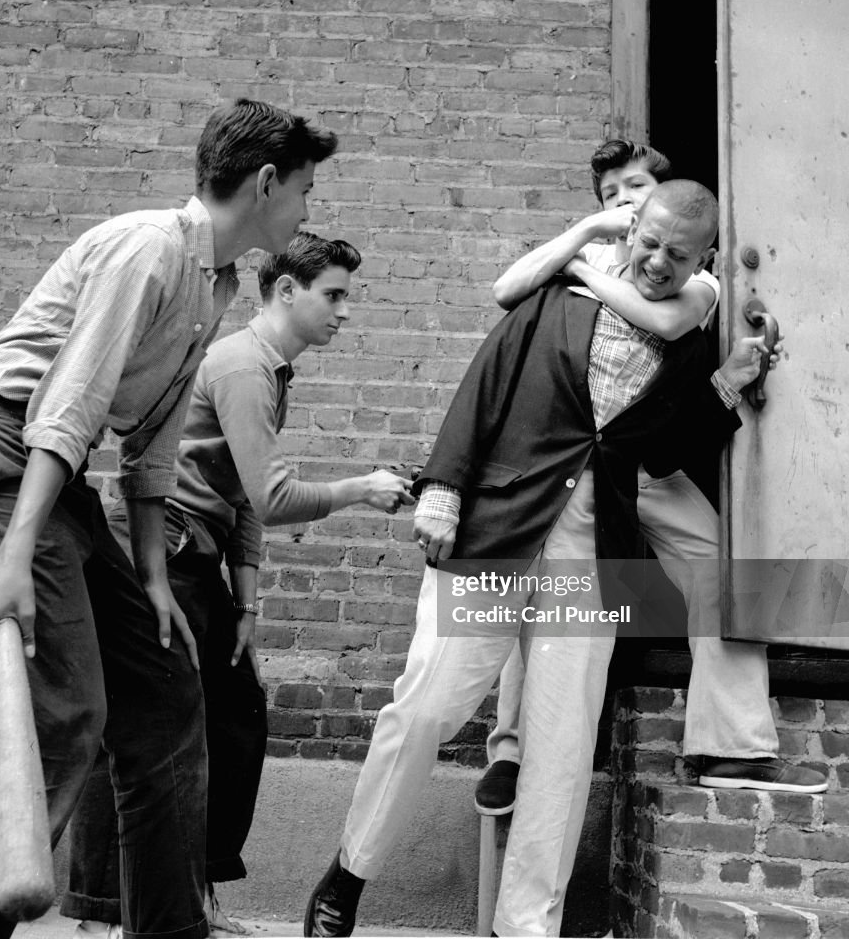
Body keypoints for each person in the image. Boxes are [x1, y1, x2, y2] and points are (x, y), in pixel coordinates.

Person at [0, 98, 338, 939]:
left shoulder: (216, 283)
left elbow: (151, 445)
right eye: (306, 189)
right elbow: (70, 403)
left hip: (56, 480)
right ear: (266, 183)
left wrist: (153, 580)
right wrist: (14, 557)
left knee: (167, 691)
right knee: (60, 722)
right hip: (5, 464)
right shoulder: (149, 251)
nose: (309, 206)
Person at [303, 180, 780, 938]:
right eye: (650, 243)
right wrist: (442, 490)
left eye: (679, 255)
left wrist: (730, 383)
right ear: (633, 231)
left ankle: (526, 925)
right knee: (428, 705)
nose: (659, 262)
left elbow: (661, 453)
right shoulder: (559, 295)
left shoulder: (688, 337)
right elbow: (484, 386)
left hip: (590, 554)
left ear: (704, 260)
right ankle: (350, 870)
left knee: (561, 745)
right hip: (498, 533)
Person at [63, 231, 416, 939]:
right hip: (160, 548)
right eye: (333, 295)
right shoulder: (243, 367)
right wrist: (360, 488)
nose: (344, 311)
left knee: (233, 715)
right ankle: (103, 914)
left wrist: (247, 603)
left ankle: (193, 893)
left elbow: (246, 500)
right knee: (141, 724)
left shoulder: (271, 371)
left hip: (197, 553)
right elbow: (275, 496)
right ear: (286, 291)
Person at [473, 140, 827, 820]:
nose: (625, 202)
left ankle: (731, 748)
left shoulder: (694, 285)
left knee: (723, 565)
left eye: (636, 187)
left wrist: (579, 268)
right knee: (543, 585)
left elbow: (665, 334)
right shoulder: (594, 263)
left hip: (642, 471)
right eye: (611, 196)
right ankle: (511, 752)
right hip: (571, 466)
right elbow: (507, 294)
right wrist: (580, 247)